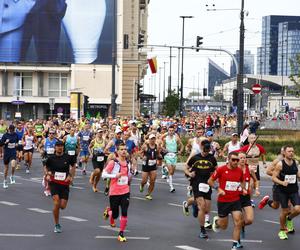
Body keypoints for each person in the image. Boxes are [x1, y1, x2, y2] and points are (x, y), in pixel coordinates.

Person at [208, 152, 244, 250]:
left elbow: (242, 181)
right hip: (223, 201)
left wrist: (242, 188)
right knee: (224, 226)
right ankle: (217, 222)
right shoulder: (221, 169)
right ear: (228, 159)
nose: (236, 162)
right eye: (233, 160)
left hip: (235, 200)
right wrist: (218, 188)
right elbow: (210, 181)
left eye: (237, 160)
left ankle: (234, 245)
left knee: (238, 222)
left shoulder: (240, 171)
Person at [184, 140, 217, 239]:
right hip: (197, 183)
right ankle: (202, 230)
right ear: (201, 148)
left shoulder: (212, 158)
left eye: (207, 150)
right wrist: (190, 174)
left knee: (206, 209)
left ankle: (193, 203)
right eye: (204, 150)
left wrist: (215, 179)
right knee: (202, 207)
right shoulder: (195, 158)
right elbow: (186, 167)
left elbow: (215, 170)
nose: (205, 152)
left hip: (207, 184)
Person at [102, 143, 132, 242]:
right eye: (121, 149)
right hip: (114, 192)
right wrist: (114, 176)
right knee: (115, 215)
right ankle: (109, 212)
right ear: (117, 151)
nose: (124, 151)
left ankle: (121, 233)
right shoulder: (113, 163)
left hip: (125, 191)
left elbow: (128, 175)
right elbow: (104, 174)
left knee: (124, 212)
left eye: (125, 149)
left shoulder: (128, 162)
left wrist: (129, 177)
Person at [44, 140, 76, 233]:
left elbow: (73, 166)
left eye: (61, 146)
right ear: (55, 147)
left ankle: (57, 211)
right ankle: (57, 224)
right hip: (54, 183)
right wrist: (48, 174)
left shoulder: (68, 157)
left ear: (63, 147)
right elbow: (46, 167)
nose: (60, 147)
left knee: (62, 206)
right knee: (57, 202)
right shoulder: (51, 158)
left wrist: (70, 176)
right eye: (58, 146)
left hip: (64, 184)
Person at [272, 146, 300, 240]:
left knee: (297, 209)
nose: (291, 153)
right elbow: (274, 177)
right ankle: (282, 230)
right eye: (289, 151)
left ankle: (289, 219)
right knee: (284, 211)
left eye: (292, 151)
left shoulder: (295, 162)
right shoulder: (280, 164)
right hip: (282, 191)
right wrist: (282, 182)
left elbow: (297, 174)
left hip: (293, 190)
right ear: (284, 153)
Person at [139, 133, 162, 200]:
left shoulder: (157, 146)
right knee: (144, 181)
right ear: (149, 139)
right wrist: (142, 157)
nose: (153, 140)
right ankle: (142, 185)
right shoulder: (145, 146)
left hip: (153, 166)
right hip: (146, 165)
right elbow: (139, 153)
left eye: (154, 138)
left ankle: (148, 194)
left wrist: (159, 157)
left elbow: (158, 154)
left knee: (152, 180)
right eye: (151, 139)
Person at [162, 125, 184, 193]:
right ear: (168, 131)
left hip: (174, 155)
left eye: (172, 131)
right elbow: (161, 146)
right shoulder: (165, 138)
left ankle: (164, 169)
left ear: (174, 131)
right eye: (170, 130)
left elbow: (182, 145)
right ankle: (171, 187)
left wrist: (180, 151)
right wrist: (164, 149)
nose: (171, 132)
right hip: (168, 155)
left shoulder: (176, 138)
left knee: (172, 172)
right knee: (170, 171)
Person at [0, 124, 18, 189]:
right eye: (11, 130)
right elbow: (1, 144)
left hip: (13, 151)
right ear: (9, 129)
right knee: (6, 168)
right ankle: (5, 181)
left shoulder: (15, 134)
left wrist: (16, 144)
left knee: (13, 164)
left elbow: (17, 141)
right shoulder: (5, 135)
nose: (12, 131)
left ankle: (12, 176)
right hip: (7, 152)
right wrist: (5, 142)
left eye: (13, 130)